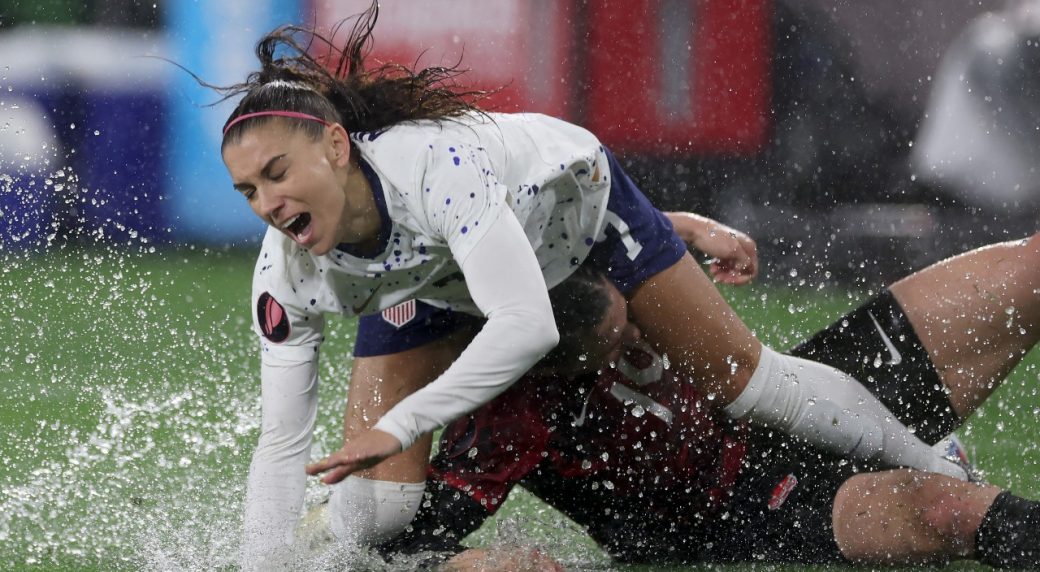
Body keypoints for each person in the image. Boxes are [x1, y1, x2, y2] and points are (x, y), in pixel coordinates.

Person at [217, 3, 964, 563]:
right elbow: (282, 443)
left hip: (575, 218)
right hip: (445, 275)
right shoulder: (287, 275)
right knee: (379, 508)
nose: (267, 205)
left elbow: (527, 325)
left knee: (752, 385)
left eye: (277, 173)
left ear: (338, 147)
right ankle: (321, 552)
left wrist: (403, 423)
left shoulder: (434, 168)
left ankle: (938, 463)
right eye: (248, 190)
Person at [363, 232, 1040, 569]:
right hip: (752, 509)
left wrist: (682, 228)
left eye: (631, 311)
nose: (646, 326)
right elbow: (392, 552)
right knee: (948, 507)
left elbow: (617, 204)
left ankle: (915, 450)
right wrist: (490, 563)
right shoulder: (504, 422)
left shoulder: (574, 236)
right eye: (615, 340)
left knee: (1029, 268)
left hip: (801, 395)